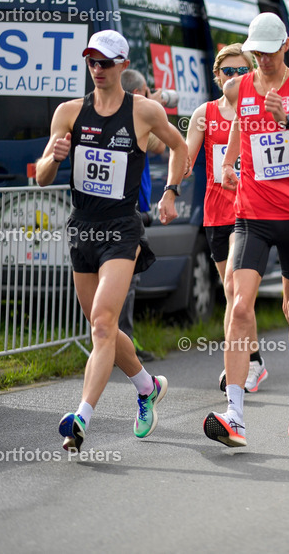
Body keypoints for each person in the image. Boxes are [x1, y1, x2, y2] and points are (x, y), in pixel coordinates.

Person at [36, 30, 188, 451]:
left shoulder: (144, 110)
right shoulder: (68, 112)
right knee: (102, 327)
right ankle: (146, 386)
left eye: (105, 62)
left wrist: (170, 191)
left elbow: (180, 146)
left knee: (103, 323)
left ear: (122, 64)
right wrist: (54, 158)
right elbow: (41, 175)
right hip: (83, 227)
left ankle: (81, 417)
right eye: (92, 62)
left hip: (123, 228)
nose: (97, 69)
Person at [204, 12, 289, 447]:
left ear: (284, 47)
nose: (260, 59)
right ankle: (235, 414)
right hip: (251, 214)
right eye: (253, 52)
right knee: (239, 305)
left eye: (267, 51)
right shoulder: (239, 86)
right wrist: (227, 163)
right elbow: (242, 122)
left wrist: (288, 121)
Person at [184, 44, 271, 393]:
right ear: (217, 76)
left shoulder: (261, 109)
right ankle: (255, 359)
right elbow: (186, 157)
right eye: (228, 71)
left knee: (236, 288)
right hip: (216, 211)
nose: (234, 77)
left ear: (250, 74)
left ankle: (243, 366)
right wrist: (174, 183)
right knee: (231, 293)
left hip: (250, 211)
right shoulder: (204, 114)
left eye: (241, 71)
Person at [118, 68, 168, 362]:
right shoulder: (137, 121)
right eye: (148, 92)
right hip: (131, 209)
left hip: (128, 207)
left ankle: (119, 340)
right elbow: (163, 146)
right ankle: (123, 343)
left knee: (125, 279)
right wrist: (156, 108)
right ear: (138, 94)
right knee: (128, 279)